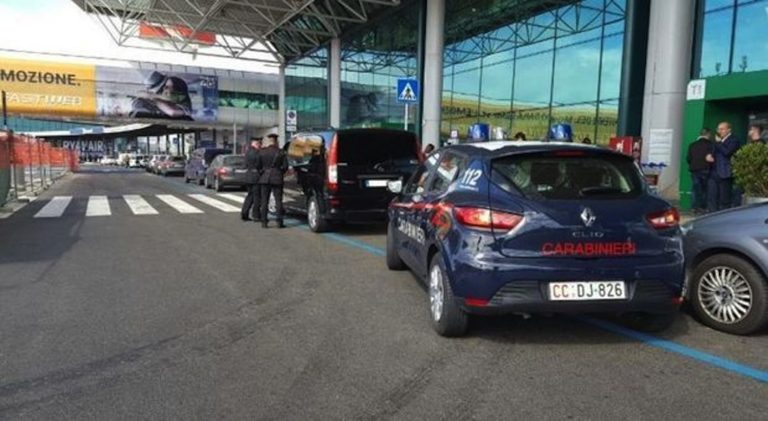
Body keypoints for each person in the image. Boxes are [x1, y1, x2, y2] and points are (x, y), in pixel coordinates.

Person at [706, 121, 741, 212]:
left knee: (724, 198)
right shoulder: (716, 141)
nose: (719, 131)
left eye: (722, 129)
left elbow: (727, 152)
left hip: (725, 173)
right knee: (712, 196)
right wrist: (709, 156)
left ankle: (722, 215)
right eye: (718, 129)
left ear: (729, 130)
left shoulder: (734, 140)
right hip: (713, 172)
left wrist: (718, 143)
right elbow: (713, 152)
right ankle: (711, 215)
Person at [256, 134, 288, 228]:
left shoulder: (262, 152)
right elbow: (285, 166)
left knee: (264, 201)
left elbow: (258, 166)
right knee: (278, 201)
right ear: (276, 141)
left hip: (265, 178)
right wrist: (279, 172)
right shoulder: (281, 152)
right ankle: (279, 222)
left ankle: (264, 222)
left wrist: (263, 172)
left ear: (269, 141)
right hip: (277, 178)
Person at [687, 128, 713, 214]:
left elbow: (688, 158)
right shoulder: (710, 145)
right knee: (705, 189)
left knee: (695, 189)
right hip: (705, 169)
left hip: (694, 170)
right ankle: (703, 207)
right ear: (708, 134)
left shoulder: (692, 145)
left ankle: (694, 207)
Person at [241, 137, 262, 222]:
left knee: (249, 195)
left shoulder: (247, 152)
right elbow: (259, 165)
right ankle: (256, 215)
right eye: (260, 144)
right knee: (257, 197)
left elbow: (245, 165)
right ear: (257, 143)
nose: (260, 146)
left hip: (248, 175)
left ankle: (244, 213)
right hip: (256, 176)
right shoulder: (257, 153)